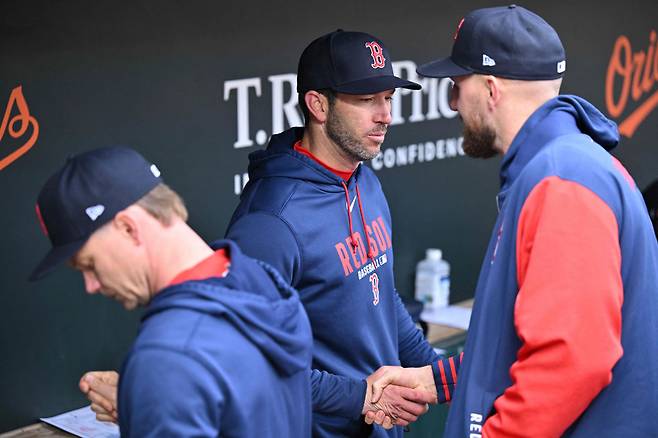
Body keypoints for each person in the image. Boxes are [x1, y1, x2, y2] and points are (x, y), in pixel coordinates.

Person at [368, 5, 658, 437]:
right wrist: (436, 381)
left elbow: (572, 360)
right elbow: (521, 339)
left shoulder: (563, 179)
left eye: (456, 86)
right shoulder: (561, 165)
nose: (452, 104)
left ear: (490, 89)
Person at [224, 29, 461, 437]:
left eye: (388, 98)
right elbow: (248, 362)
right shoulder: (270, 220)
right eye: (366, 99)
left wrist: (432, 373)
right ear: (317, 104)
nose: (385, 114)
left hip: (383, 427)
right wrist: (360, 397)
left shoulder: (364, 180)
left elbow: (384, 302)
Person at [29, 146, 314, 437]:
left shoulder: (167, 358)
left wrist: (157, 392)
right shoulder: (260, 280)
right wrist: (146, 405)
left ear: (128, 228)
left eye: (89, 264)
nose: (91, 285)